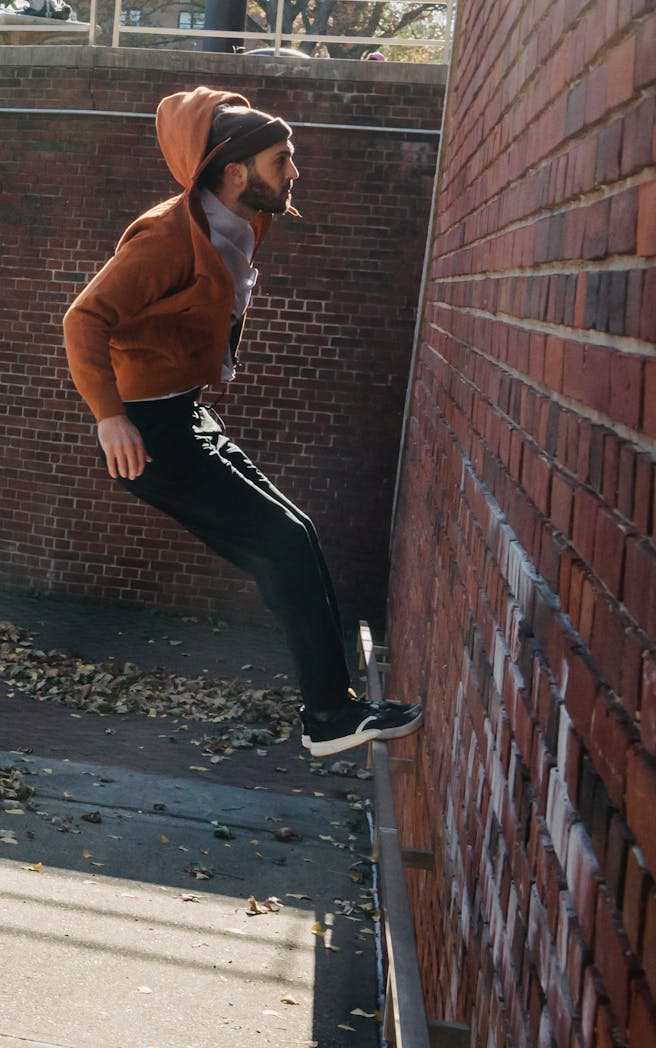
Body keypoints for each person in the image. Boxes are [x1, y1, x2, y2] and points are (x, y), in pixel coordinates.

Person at [63, 85, 422, 758]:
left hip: (183, 413)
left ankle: (336, 707)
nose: (295, 172)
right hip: (149, 437)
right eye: (282, 159)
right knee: (282, 544)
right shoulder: (166, 239)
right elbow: (83, 319)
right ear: (235, 172)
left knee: (297, 533)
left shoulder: (238, 218)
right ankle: (326, 720)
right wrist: (109, 418)